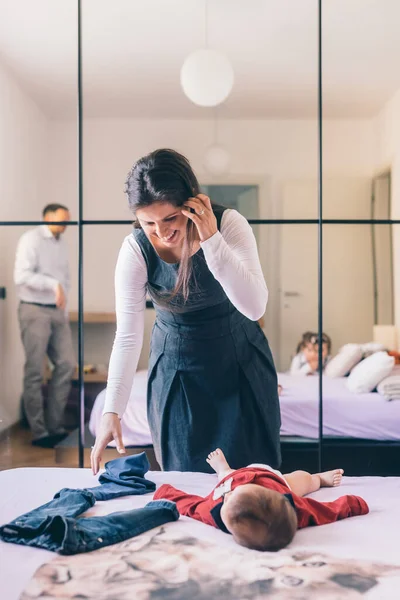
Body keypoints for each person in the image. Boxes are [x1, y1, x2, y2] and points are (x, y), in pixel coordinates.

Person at [91, 148, 281, 474]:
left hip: (239, 361)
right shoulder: (135, 250)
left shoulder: (229, 225)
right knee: (185, 481)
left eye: (170, 218)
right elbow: (127, 336)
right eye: (148, 222)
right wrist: (112, 410)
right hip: (177, 370)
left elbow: (254, 307)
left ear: (191, 204)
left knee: (256, 481)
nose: (162, 232)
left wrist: (211, 239)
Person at [154, 448, 369, 552]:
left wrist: (166, 493)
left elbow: (190, 505)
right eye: (230, 499)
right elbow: (324, 511)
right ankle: (318, 479)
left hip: (231, 478)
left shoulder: (215, 509)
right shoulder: (291, 507)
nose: (227, 498)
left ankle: (224, 468)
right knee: (302, 480)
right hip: (275, 480)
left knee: (225, 478)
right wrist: (352, 504)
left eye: (227, 502)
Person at [14, 204, 75, 448]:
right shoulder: (31, 239)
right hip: (34, 309)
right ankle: (39, 432)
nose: (66, 224)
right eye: (62, 219)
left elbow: (66, 281)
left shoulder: (61, 244)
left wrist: (63, 301)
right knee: (35, 371)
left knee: (67, 365)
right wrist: (53, 285)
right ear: (47, 217)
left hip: (57, 311)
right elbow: (22, 276)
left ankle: (55, 426)